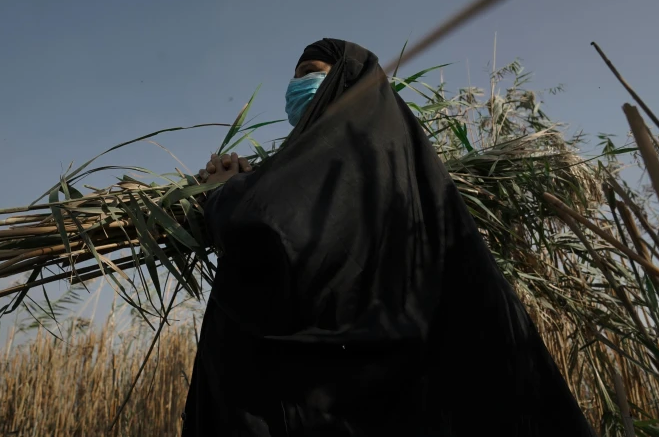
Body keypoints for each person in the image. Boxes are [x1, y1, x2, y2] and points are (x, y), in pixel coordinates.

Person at [183, 39, 595, 436]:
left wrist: (225, 193)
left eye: (310, 73)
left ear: (344, 81)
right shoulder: (393, 157)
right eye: (294, 78)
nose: (296, 87)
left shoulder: (352, 151)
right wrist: (256, 183)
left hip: (337, 402)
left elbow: (271, 232)